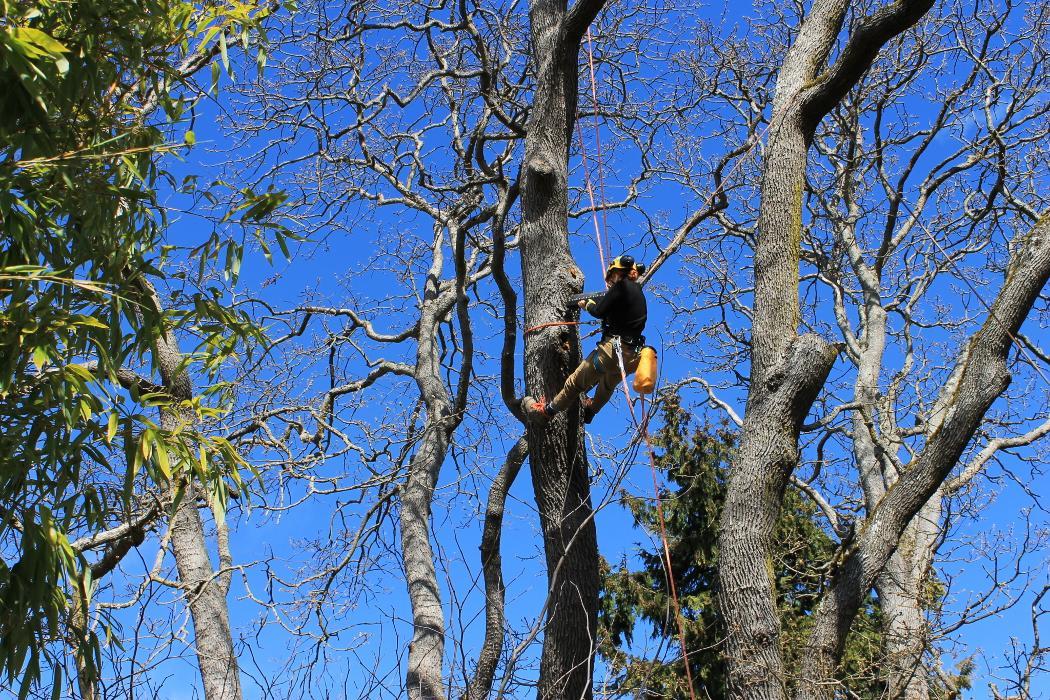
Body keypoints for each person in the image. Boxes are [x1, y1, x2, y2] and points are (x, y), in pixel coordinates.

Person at [522, 254, 647, 425]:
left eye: (611, 278)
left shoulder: (621, 287)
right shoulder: (637, 291)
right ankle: (591, 411)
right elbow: (622, 318)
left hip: (612, 352)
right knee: (607, 386)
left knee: (575, 383)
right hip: (632, 356)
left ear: (618, 272)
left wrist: (586, 304)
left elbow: (599, 311)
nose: (610, 283)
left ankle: (546, 411)